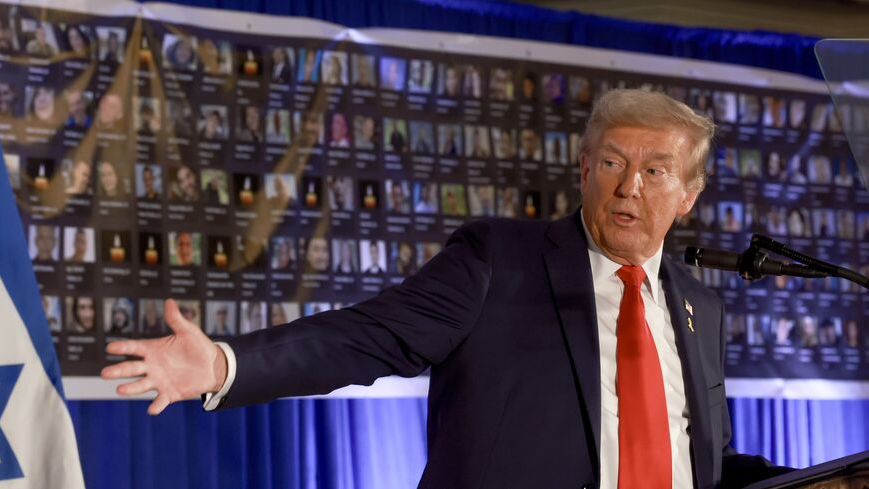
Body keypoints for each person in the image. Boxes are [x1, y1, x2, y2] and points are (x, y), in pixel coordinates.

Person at [103, 89, 791, 489]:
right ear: (583, 168)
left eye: (655, 170)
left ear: (690, 194)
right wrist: (224, 363)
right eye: (612, 161)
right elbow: (367, 336)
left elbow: (697, 457)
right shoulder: (500, 260)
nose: (627, 185)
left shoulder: (699, 305)